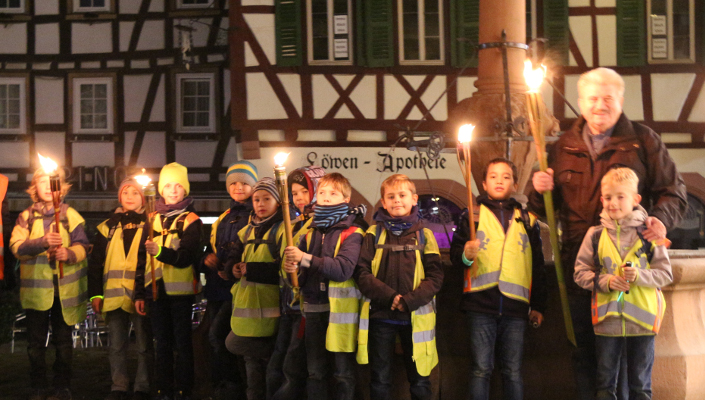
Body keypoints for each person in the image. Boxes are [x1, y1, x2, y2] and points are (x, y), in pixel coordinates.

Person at [530, 67, 687, 399]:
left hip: (632, 270)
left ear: (620, 100)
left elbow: (674, 192)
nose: (599, 105)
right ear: (580, 102)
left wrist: (658, 219)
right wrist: (537, 189)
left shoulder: (643, 140)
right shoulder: (564, 146)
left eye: (607, 98)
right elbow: (546, 206)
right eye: (592, 98)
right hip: (581, 266)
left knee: (632, 362)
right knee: (586, 353)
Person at [450, 158, 547, 400]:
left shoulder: (528, 219)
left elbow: (537, 265)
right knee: (481, 369)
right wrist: (466, 255)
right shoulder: (471, 216)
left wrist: (538, 305)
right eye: (493, 176)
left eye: (506, 176)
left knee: (513, 371)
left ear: (514, 184)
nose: (499, 180)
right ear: (483, 183)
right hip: (480, 305)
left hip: (516, 307)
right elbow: (456, 258)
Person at [573, 167, 672, 399]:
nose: (613, 203)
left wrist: (638, 276)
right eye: (608, 197)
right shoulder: (595, 235)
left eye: (620, 197)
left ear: (635, 199)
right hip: (607, 321)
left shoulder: (649, 234)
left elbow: (665, 274)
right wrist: (605, 281)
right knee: (605, 384)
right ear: (601, 199)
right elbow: (580, 273)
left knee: (640, 385)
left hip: (643, 321)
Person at [354, 174, 444, 400]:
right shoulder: (373, 234)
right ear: (383, 202)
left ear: (414, 199)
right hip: (381, 316)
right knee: (380, 379)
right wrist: (390, 297)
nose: (397, 200)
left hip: (416, 319)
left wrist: (409, 300)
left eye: (402, 195)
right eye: (391, 196)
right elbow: (361, 273)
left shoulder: (426, 235)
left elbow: (435, 277)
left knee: (420, 379)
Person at [284, 172, 367, 400]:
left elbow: (343, 269)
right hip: (313, 308)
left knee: (342, 373)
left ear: (345, 199)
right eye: (322, 193)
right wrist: (291, 270)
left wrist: (305, 259)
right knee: (315, 372)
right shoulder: (310, 232)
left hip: (341, 312)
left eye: (333, 193)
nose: (326, 197)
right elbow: (298, 278)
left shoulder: (353, 231)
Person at [10, 167, 90, 400]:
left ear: (61, 188)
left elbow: (84, 246)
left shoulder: (70, 215)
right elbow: (17, 247)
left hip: (64, 293)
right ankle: (37, 386)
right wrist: (42, 242)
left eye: (51, 182)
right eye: (41, 182)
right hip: (37, 294)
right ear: (34, 188)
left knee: (64, 343)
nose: (47, 186)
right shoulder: (25, 217)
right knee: (35, 344)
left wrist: (69, 254)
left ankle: (62, 386)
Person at [135, 162, 203, 400]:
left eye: (178, 186)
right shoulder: (151, 218)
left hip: (181, 294)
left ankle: (185, 388)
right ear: (160, 191)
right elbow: (141, 261)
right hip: (155, 293)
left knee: (182, 343)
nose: (173, 190)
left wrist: (160, 252)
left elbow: (187, 257)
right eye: (167, 186)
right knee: (161, 343)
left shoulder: (192, 220)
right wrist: (139, 294)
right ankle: (163, 388)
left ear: (185, 189)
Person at [88, 178, 153, 400]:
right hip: (114, 296)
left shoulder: (152, 223)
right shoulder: (107, 227)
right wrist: (96, 294)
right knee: (116, 345)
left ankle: (142, 387)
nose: (130, 197)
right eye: (126, 192)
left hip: (140, 295)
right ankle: (119, 386)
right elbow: (95, 263)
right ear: (120, 197)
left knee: (144, 345)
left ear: (143, 198)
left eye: (135, 193)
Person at [223, 177, 286, 400]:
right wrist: (234, 270)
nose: (260, 203)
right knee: (250, 361)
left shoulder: (282, 229)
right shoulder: (246, 230)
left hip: (270, 308)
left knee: (265, 362)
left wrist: (251, 269)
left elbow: (283, 270)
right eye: (257, 199)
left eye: (266, 198)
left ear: (278, 203)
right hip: (247, 307)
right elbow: (233, 257)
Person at [266, 165, 325, 400]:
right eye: (294, 193)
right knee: (279, 362)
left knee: (293, 366)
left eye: (304, 191)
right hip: (288, 305)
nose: (299, 198)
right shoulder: (293, 224)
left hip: (306, 308)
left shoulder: (320, 223)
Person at [200, 161, 258, 400]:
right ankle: (225, 383)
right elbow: (210, 246)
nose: (238, 187)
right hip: (218, 288)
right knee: (215, 337)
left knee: (222, 335)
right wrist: (207, 258)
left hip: (239, 288)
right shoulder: (224, 216)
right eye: (233, 183)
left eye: (245, 183)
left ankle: (234, 385)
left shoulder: (256, 213)